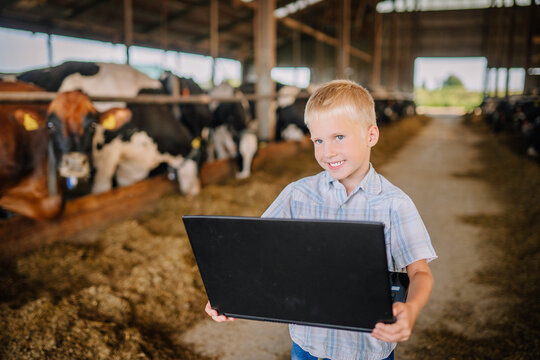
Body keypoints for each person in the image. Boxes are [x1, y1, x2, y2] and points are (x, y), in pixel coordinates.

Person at [205, 79, 437, 360]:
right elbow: (258, 250)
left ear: (371, 135)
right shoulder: (297, 195)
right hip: (307, 347)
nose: (327, 152)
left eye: (339, 137)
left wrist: (410, 310)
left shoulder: (394, 204)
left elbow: (419, 272)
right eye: (318, 140)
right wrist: (228, 295)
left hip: (366, 351)